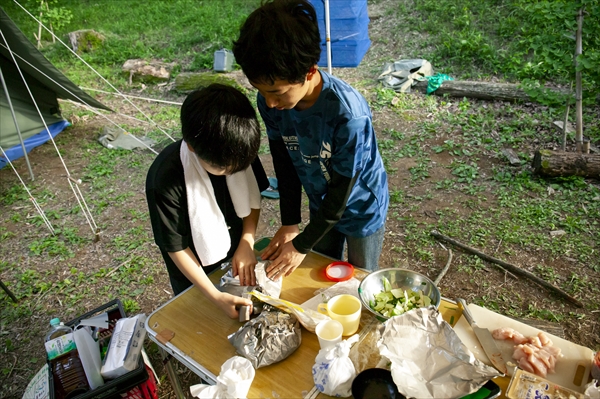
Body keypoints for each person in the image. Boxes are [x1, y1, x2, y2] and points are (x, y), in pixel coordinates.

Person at [232, 0, 389, 280]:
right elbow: (285, 162)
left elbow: (342, 190)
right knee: (321, 270)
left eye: (277, 92)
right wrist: (291, 223)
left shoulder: (347, 115)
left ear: (309, 71)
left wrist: (302, 244)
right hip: (321, 204)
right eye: (260, 90)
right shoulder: (272, 104)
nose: (268, 102)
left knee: (360, 279)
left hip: (360, 206)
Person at [145, 83, 269, 318]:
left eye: (239, 168)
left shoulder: (239, 149)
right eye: (223, 169)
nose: (233, 172)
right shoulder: (165, 179)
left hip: (237, 250)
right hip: (194, 269)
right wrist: (214, 295)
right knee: (202, 323)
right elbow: (176, 246)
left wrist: (247, 240)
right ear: (192, 147)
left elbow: (253, 198)